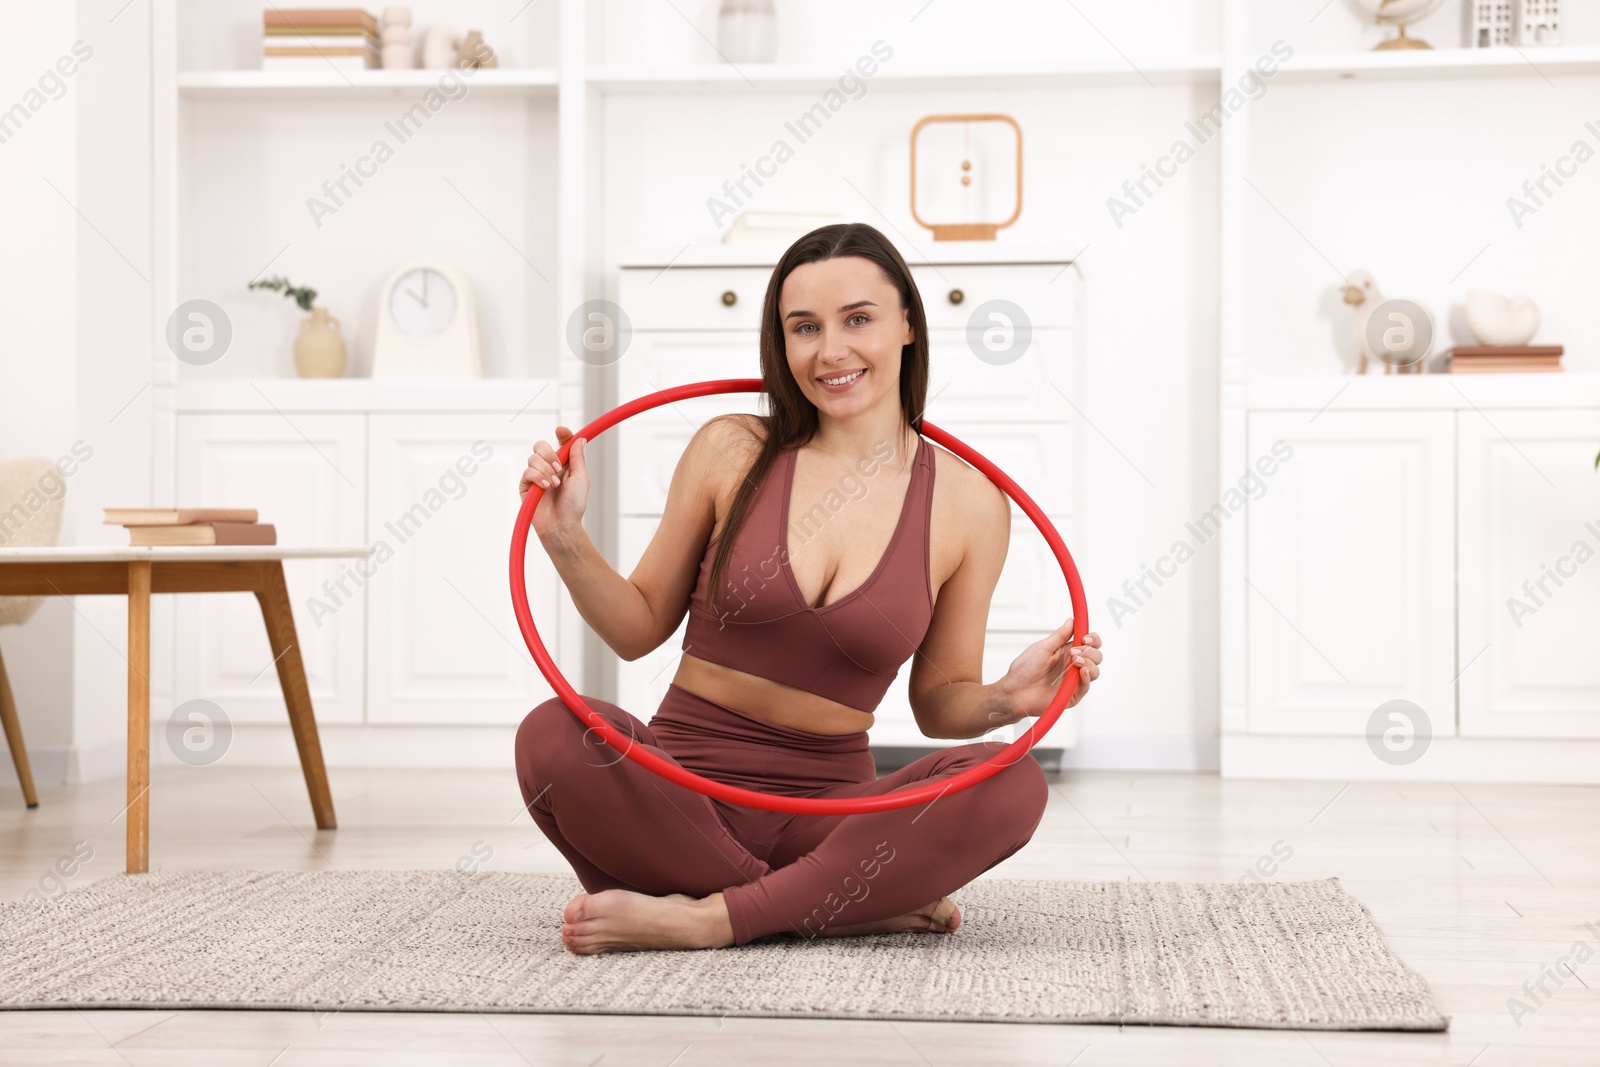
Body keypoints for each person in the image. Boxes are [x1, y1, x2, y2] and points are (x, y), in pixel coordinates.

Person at [514, 222, 1103, 954]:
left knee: (1014, 785)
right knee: (551, 734)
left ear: (908, 324)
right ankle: (835, 905)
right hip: (677, 792)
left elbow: (937, 702)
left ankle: (707, 916)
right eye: (804, 327)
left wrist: (1007, 701)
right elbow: (638, 628)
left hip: (830, 812)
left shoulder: (970, 505)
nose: (831, 351)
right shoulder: (730, 449)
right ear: (781, 340)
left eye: (858, 318)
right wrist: (565, 538)